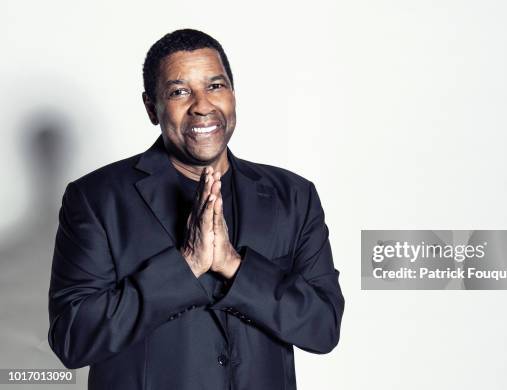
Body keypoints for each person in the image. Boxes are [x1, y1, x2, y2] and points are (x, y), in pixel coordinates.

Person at [48, 29, 344, 390]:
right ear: (151, 107)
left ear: (233, 95)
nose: (202, 105)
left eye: (215, 86)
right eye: (179, 91)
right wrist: (186, 265)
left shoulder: (294, 196)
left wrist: (234, 266)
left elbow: (322, 327)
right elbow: (72, 339)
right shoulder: (96, 198)